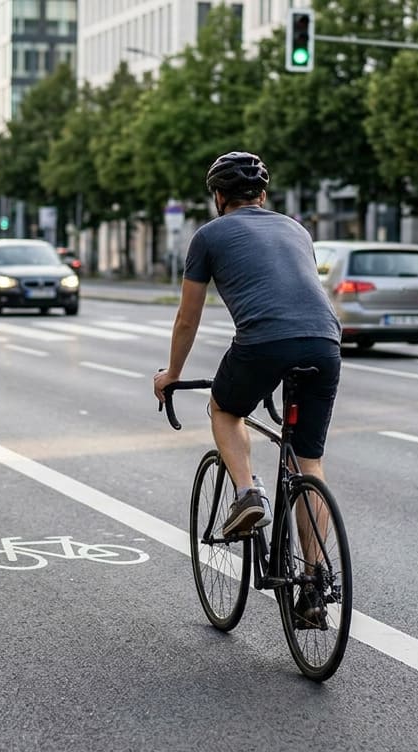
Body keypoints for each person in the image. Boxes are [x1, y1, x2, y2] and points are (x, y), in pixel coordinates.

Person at [152, 151, 342, 544]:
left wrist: (172, 374)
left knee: (225, 408)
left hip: (264, 343)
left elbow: (187, 319)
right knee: (309, 462)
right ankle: (315, 583)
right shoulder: (297, 230)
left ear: (219, 197)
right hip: (326, 343)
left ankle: (247, 493)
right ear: (263, 194)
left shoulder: (208, 236)